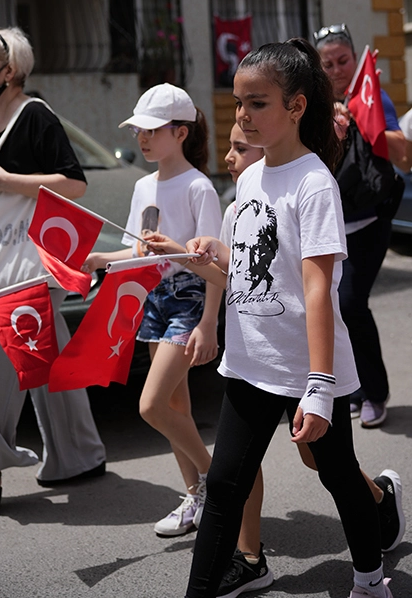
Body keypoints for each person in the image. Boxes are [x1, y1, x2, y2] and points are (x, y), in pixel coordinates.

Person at [150, 120, 405, 597]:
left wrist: (320, 384)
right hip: (251, 365)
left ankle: (371, 581)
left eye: (256, 104)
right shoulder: (247, 182)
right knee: (225, 485)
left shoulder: (313, 182)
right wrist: (200, 253)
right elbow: (239, 271)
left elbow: (317, 290)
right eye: (241, 102)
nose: (243, 114)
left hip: (305, 365)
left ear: (294, 108)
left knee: (334, 472)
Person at [0, 26, 106, 523]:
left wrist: (8, 180)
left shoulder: (36, 116)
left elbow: (74, 184)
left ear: (9, 72)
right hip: (2, 264)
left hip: (33, 268)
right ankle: (81, 456)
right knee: (52, 366)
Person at [83, 82, 223, 537]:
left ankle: (220, 484)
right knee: (175, 404)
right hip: (155, 300)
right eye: (137, 130)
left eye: (151, 130)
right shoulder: (143, 184)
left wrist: (209, 323)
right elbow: (139, 252)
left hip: (190, 300)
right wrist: (101, 259)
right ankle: (196, 496)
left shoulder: (200, 186)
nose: (141, 139)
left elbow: (215, 264)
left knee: (151, 405)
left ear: (181, 132)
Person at [315, 23, 406, 427]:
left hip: (368, 223)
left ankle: (375, 392)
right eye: (327, 63)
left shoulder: (373, 98)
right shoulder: (310, 107)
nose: (336, 69)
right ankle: (353, 390)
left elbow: (404, 155)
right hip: (327, 226)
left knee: (350, 304)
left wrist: (366, 121)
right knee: (332, 309)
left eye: (343, 61)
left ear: (356, 60)